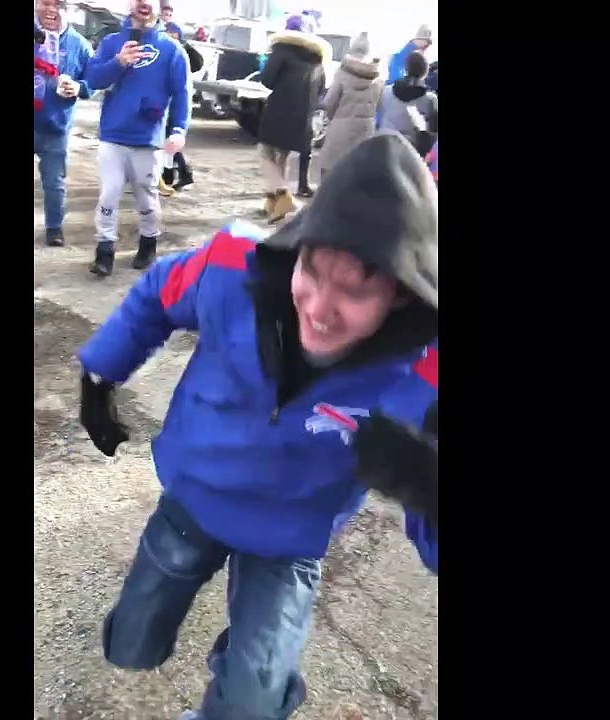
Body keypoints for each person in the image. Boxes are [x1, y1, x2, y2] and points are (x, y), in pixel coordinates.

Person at [77, 133, 439, 720]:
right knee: (131, 642)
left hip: (290, 534)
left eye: (356, 289)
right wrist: (100, 374)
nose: (320, 309)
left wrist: (430, 487)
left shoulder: (426, 374)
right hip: (194, 500)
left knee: (254, 694)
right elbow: (155, 295)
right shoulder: (229, 265)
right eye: (313, 272)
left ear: (401, 295)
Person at [83, 0, 192, 276]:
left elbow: (182, 93)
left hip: (148, 140)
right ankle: (104, 250)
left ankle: (148, 242)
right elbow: (92, 78)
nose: (143, 4)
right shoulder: (111, 42)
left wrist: (178, 129)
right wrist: (118, 62)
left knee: (146, 194)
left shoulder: (172, 49)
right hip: (113, 136)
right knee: (109, 193)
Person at [256, 14, 330, 224]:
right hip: (303, 116)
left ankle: (283, 194)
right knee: (281, 157)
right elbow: (321, 89)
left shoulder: (282, 50)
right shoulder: (317, 57)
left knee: (265, 154)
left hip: (279, 110)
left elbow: (267, 80)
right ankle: (272, 204)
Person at [33, 0, 94, 247]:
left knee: (55, 181)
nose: (50, 9)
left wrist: (79, 88)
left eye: (57, 5)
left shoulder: (78, 44)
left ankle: (54, 228)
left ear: (65, 9)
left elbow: (95, 80)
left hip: (55, 126)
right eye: (44, 3)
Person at [316, 32, 382, 183]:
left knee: (331, 172)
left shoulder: (342, 73)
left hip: (341, 128)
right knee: (357, 173)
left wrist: (333, 117)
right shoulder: (377, 77)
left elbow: (329, 102)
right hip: (366, 131)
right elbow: (379, 104)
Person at [160, 10, 204, 192]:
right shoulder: (159, 41)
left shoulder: (180, 49)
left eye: (169, 14)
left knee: (170, 137)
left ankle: (175, 175)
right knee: (166, 139)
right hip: (163, 98)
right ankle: (174, 175)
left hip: (176, 98)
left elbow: (197, 62)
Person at [377, 52, 438, 157]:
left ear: (406, 68)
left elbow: (379, 111)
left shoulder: (385, 91)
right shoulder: (430, 100)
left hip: (383, 143)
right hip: (411, 152)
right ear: (425, 71)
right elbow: (433, 130)